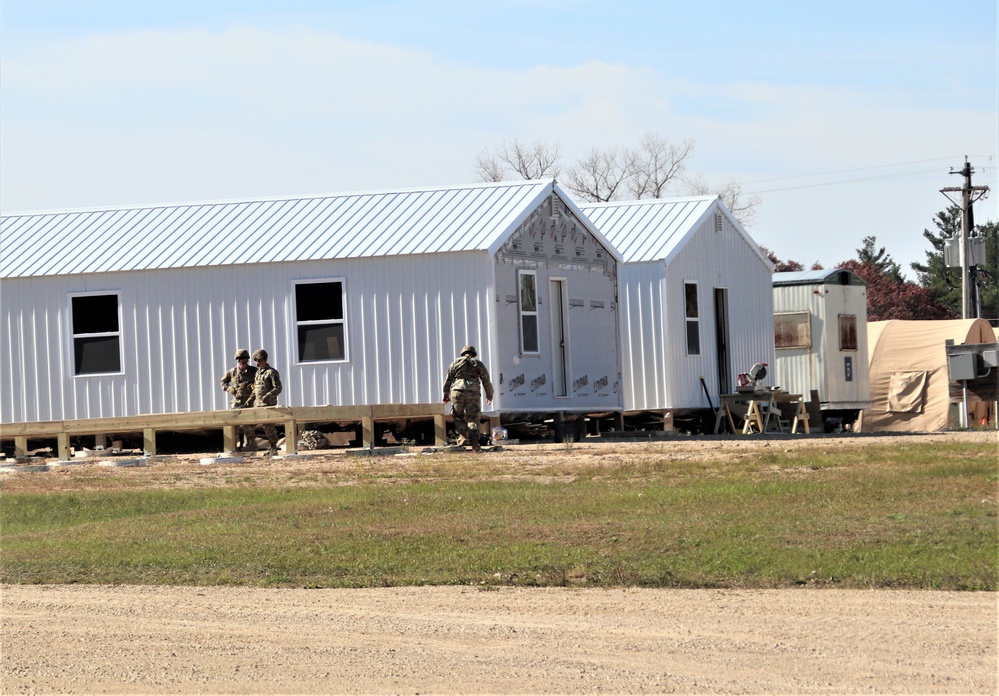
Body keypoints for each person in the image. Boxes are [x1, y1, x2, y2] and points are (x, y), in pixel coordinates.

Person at [442, 345, 494, 451]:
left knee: (458, 416)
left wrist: (445, 394)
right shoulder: (478, 364)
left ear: (462, 353)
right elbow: (486, 380)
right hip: (473, 392)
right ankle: (475, 444)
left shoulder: (456, 362)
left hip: (457, 392)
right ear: (474, 354)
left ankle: (463, 437)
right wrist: (489, 394)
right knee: (473, 418)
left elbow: (448, 379)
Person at [246, 348, 283, 456]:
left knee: (269, 427)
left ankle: (273, 449)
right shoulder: (258, 373)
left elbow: (278, 388)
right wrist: (249, 401)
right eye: (255, 360)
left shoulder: (271, 372)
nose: (256, 363)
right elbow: (256, 389)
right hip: (257, 405)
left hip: (267, 405)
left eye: (257, 360)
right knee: (248, 424)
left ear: (263, 359)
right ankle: (251, 444)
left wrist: (267, 396)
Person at [219, 348, 257, 450]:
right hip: (236, 402)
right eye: (241, 359)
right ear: (237, 360)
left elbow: (259, 383)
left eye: (245, 358)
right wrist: (228, 388)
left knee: (248, 425)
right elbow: (222, 382)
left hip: (249, 401)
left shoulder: (254, 371)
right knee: (234, 425)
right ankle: (234, 446)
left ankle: (249, 445)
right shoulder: (232, 372)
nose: (243, 361)